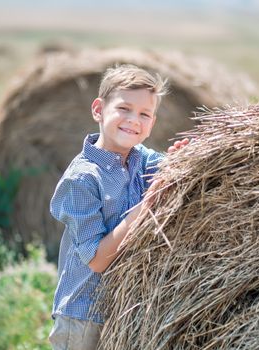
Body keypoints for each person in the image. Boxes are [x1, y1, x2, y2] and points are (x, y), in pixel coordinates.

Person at [48, 64, 188, 350]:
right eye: (123, 109)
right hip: (82, 316)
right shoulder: (82, 179)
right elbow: (97, 260)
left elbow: (167, 170)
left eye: (144, 114)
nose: (133, 120)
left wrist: (181, 160)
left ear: (152, 123)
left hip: (122, 309)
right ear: (98, 110)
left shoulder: (140, 159)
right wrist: (144, 209)